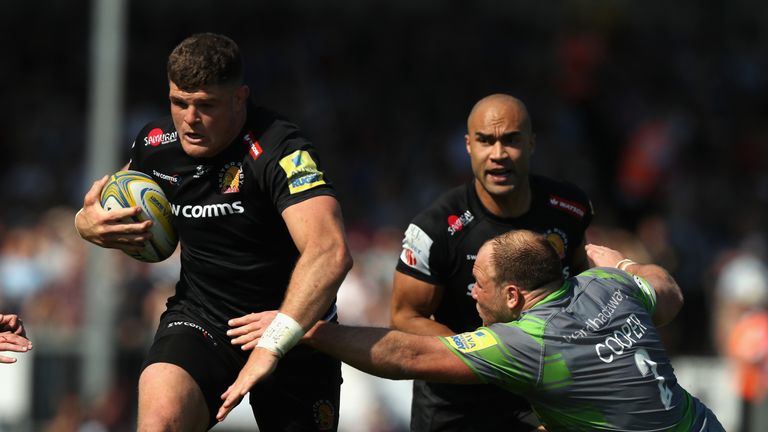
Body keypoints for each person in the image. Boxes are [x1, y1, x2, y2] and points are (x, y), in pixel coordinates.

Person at [75, 33, 352, 431]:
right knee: (160, 420)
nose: (190, 118)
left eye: (206, 105)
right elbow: (102, 206)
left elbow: (330, 252)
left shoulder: (281, 150)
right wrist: (84, 224)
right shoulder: (156, 145)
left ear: (240, 98)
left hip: (294, 327)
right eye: (179, 102)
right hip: (202, 317)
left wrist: (276, 339)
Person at [298, 230, 724, 431]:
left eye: (479, 283)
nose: (472, 294)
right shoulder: (605, 283)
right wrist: (624, 264)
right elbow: (669, 293)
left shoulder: (525, 342)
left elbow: (407, 355)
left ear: (514, 295)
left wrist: (309, 330)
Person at [390, 93, 593, 431]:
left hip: (540, 400)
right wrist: (486, 358)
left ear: (531, 143)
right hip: (454, 408)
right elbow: (404, 315)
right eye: (486, 141)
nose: (498, 155)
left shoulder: (569, 208)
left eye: (511, 140)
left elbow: (583, 288)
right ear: (469, 145)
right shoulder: (435, 227)